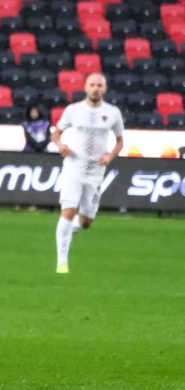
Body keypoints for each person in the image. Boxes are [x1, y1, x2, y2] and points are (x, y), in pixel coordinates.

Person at [50, 73, 124, 274]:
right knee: (68, 210)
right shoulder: (73, 110)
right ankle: (62, 263)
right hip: (73, 167)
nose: (96, 88)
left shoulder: (113, 113)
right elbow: (55, 132)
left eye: (100, 85)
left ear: (105, 89)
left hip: (95, 172)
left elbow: (119, 141)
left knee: (86, 222)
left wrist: (110, 156)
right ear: (85, 87)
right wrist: (60, 145)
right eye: (92, 85)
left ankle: (68, 231)